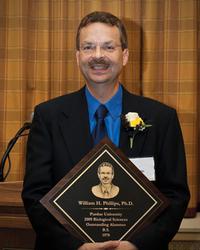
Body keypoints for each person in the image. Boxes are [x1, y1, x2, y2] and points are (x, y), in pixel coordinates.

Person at [22, 11, 190, 250]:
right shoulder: (48, 116)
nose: (97, 56)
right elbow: (35, 196)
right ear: (77, 56)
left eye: (108, 47)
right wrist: (75, 246)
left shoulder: (161, 118)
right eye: (88, 47)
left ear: (124, 56)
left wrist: (136, 245)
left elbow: (175, 196)